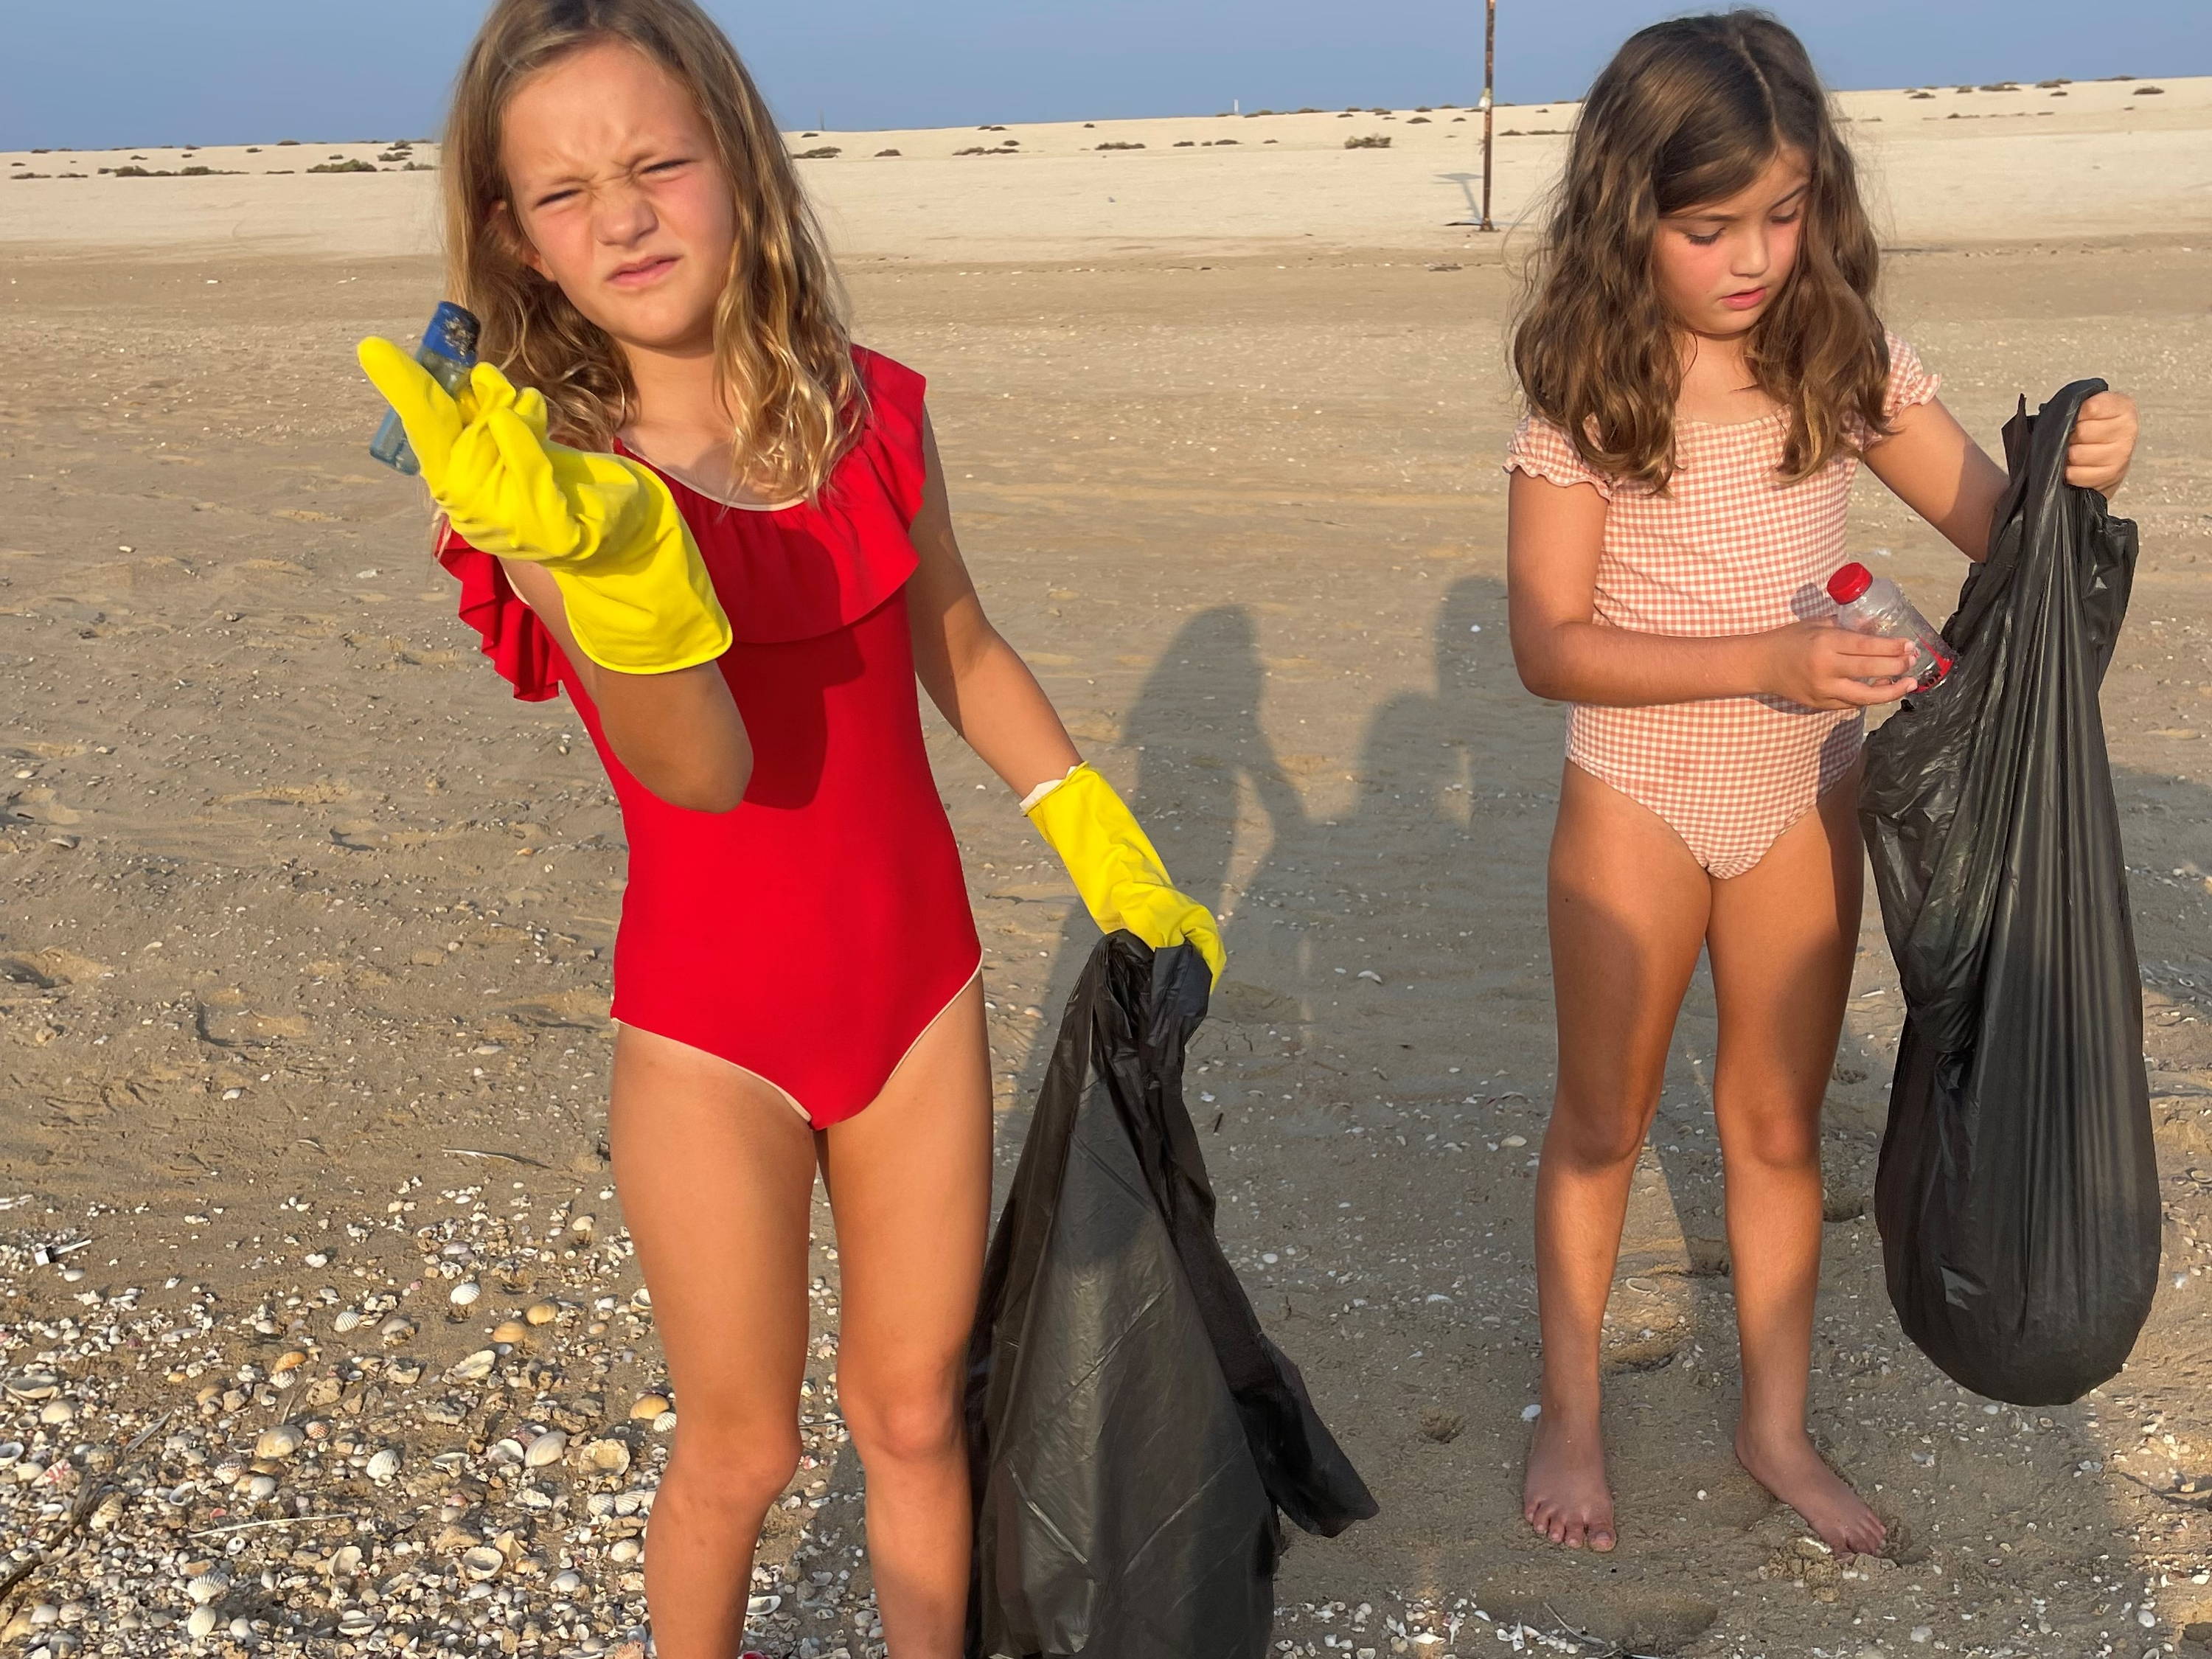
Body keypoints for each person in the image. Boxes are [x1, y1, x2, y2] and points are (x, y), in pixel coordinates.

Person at [355, 2, 1223, 1654]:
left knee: (913, 1415)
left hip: (919, 994)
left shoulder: (874, 410)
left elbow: (957, 643)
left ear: (740, 164)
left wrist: (1103, 841)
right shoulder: (544, 482)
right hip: (708, 1035)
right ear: (511, 240)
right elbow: (697, 770)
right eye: (561, 192)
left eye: (657, 162)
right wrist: (614, 574)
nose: (620, 214)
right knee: (741, 1448)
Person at [1503, 10, 2138, 1556]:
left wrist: (2078, 461)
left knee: (1778, 1127)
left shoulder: (1842, 361)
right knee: (1602, 1119)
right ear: (1624, 215)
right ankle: (1574, 1415)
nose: (1753, 259)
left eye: (1784, 216)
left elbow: (1998, 530)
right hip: (1637, 795)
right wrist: (1766, 660)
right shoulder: (1588, 397)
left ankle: (1775, 1428)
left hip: (1806, 791)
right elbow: (1549, 644)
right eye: (1708, 225)